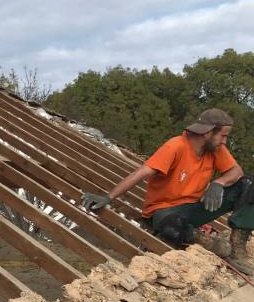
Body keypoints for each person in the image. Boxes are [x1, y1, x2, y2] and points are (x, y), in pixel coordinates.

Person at [83, 108, 254, 274]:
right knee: (170, 225)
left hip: (195, 207)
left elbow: (237, 172)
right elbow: (142, 172)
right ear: (208, 133)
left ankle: (237, 250)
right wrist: (109, 196)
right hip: (166, 210)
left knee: (248, 185)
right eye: (223, 136)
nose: (224, 141)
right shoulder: (175, 147)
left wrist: (219, 183)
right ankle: (210, 244)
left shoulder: (215, 149)